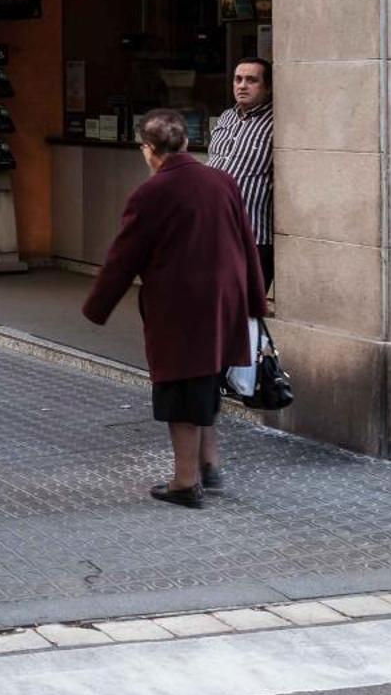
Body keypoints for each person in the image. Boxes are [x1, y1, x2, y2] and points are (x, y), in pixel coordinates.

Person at [81, 108, 268, 509]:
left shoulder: (151, 192)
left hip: (179, 307)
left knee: (181, 390)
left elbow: (124, 257)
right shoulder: (222, 180)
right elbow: (246, 242)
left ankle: (185, 482)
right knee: (205, 384)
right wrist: (255, 298)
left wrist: (97, 307)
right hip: (224, 302)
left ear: (148, 150)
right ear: (185, 142)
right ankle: (209, 466)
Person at [206, 57, 274, 289]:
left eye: (251, 80)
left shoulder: (277, 123)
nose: (242, 85)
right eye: (238, 79)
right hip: (212, 230)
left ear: (268, 87)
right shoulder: (226, 117)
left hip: (252, 235)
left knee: (244, 311)